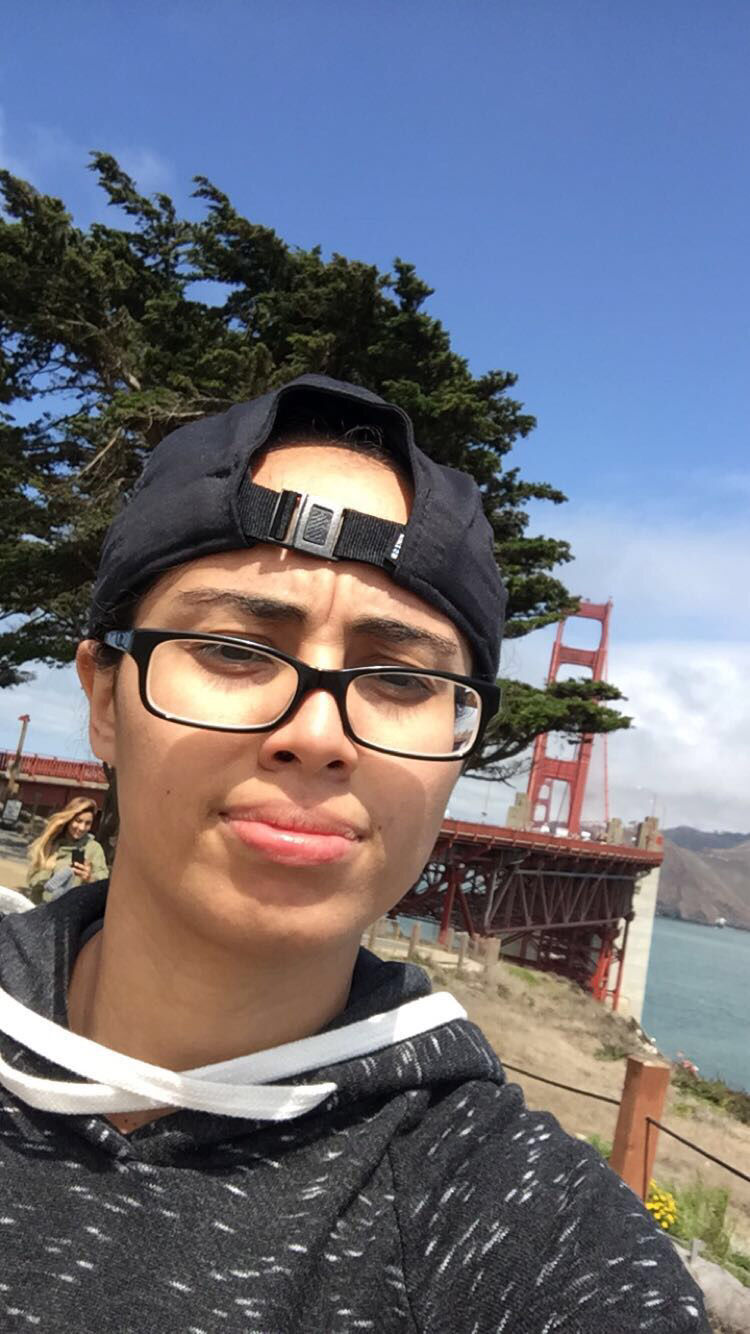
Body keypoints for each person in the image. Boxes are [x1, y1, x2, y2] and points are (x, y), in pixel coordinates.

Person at [0, 375, 707, 1332]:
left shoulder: (526, 1230)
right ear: (103, 700)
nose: (318, 736)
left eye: (402, 679)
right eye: (235, 650)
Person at [25, 795, 108, 906]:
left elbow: (104, 882)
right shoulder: (51, 843)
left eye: (88, 823)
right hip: (41, 908)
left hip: (73, 910)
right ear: (69, 819)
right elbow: (31, 880)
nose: (82, 828)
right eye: (78, 821)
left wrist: (89, 878)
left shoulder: (93, 848)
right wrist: (51, 872)